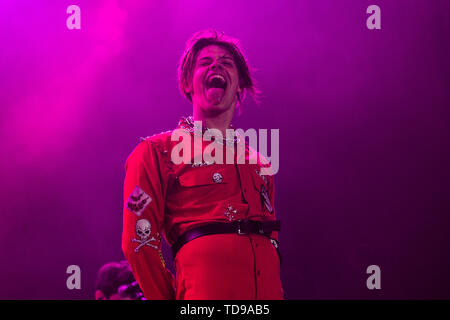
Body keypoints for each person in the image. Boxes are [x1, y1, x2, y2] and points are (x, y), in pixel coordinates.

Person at [122, 29, 283, 300]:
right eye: (205, 62)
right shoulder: (156, 151)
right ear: (187, 83)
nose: (216, 66)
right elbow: (139, 241)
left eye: (226, 63)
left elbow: (272, 240)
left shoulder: (259, 162)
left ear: (240, 84)